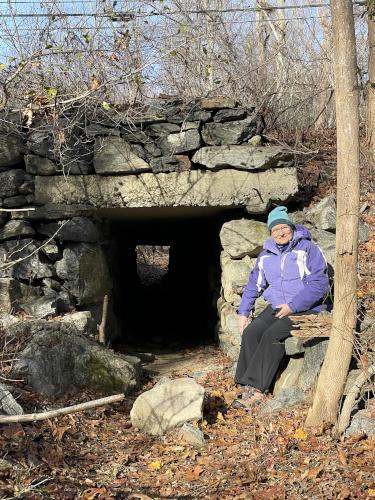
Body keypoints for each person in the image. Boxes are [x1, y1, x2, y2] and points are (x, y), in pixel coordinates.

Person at [233, 205, 330, 408]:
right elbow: (253, 285)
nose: (280, 232)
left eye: (284, 227)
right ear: (270, 233)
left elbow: (320, 285)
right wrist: (243, 313)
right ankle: (245, 384)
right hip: (278, 306)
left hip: (306, 309)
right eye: (275, 229)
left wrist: (293, 306)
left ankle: (258, 389)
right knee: (251, 332)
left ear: (291, 228)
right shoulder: (266, 255)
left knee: (272, 335)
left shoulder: (308, 249)